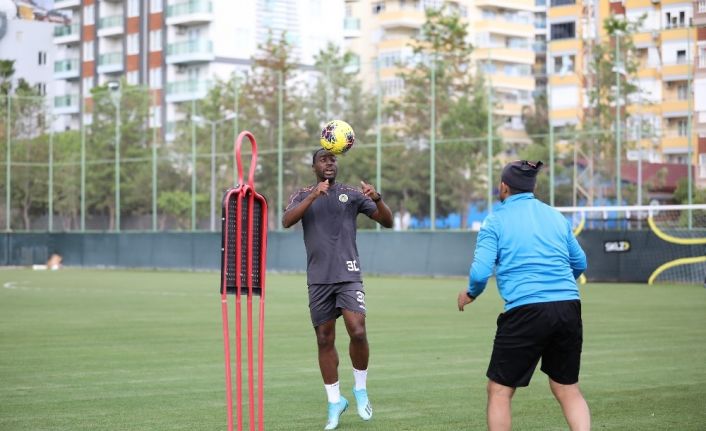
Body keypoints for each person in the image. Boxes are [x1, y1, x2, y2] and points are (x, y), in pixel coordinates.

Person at [457, 160, 590, 431]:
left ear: (504, 187)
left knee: (500, 390)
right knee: (567, 388)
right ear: (533, 186)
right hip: (568, 307)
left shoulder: (495, 220)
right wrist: (557, 287)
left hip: (527, 311)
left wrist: (471, 293)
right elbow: (580, 263)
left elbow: (481, 272)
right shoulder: (555, 216)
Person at [282, 148, 393, 430]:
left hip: (348, 274)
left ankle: (360, 389)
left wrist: (377, 199)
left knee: (357, 329)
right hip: (319, 278)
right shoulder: (302, 193)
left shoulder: (352, 193)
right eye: (324, 159)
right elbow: (287, 221)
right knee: (324, 339)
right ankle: (335, 402)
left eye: (333, 159)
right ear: (314, 166)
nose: (330, 163)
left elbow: (387, 221)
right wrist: (312, 196)